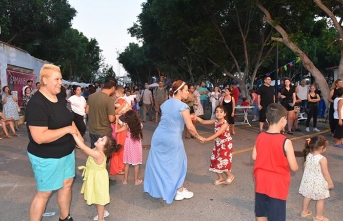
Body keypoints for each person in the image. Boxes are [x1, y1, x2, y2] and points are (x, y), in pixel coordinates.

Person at [26, 64, 82, 221]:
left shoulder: (59, 97)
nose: (60, 82)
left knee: (67, 184)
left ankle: (65, 217)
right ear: (44, 80)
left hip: (67, 152)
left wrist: (78, 136)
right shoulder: (37, 103)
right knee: (44, 193)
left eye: (61, 79)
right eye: (56, 79)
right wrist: (67, 131)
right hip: (47, 156)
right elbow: (39, 137)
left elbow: (69, 120)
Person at [144, 80, 204, 204]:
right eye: (186, 90)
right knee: (179, 163)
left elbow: (170, 118)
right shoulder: (183, 106)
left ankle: (164, 189)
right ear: (179, 91)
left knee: (159, 165)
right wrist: (199, 137)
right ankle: (179, 190)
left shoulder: (165, 104)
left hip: (159, 136)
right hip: (172, 138)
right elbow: (191, 127)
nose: (188, 92)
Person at [252, 103, 298, 221]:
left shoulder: (260, 136)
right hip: (278, 183)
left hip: (261, 180)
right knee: (276, 215)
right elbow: (294, 167)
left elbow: (254, 156)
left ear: (267, 120)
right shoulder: (285, 141)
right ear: (283, 120)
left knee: (261, 213)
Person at [73, 134, 121, 221]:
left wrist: (73, 134)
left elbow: (84, 148)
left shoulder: (99, 154)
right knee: (94, 197)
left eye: (102, 140)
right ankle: (103, 212)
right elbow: (85, 149)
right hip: (93, 177)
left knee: (99, 200)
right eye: (101, 138)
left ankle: (100, 218)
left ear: (104, 148)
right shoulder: (96, 150)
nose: (99, 138)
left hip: (98, 179)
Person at [196, 106, 235, 185]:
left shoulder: (225, 124)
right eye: (217, 111)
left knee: (222, 160)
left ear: (224, 114)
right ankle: (220, 178)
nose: (218, 113)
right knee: (214, 160)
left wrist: (206, 139)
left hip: (226, 144)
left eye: (221, 112)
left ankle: (230, 175)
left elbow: (216, 134)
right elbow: (203, 122)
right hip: (218, 143)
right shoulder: (215, 121)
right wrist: (195, 117)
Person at [299, 136, 333, 221]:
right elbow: (325, 173)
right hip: (318, 183)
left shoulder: (308, 155)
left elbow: (305, 166)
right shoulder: (322, 159)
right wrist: (330, 183)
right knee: (321, 199)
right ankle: (319, 217)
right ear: (322, 147)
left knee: (307, 196)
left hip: (308, 182)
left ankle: (304, 211)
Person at [86, 77, 117, 148]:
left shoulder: (91, 96)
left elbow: (87, 111)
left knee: (94, 153)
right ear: (113, 88)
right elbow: (111, 119)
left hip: (92, 130)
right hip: (104, 132)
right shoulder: (109, 100)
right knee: (104, 155)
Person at [114, 111, 143, 185]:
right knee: (136, 164)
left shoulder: (127, 126)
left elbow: (116, 131)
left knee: (126, 164)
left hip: (128, 146)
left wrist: (117, 120)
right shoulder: (140, 125)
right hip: (136, 146)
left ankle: (125, 180)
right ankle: (136, 180)